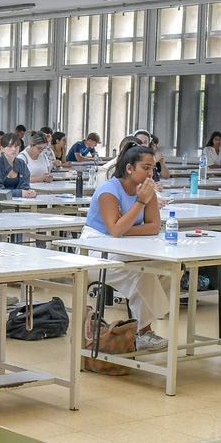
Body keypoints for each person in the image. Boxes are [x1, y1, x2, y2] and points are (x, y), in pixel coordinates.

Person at [82, 144, 169, 352]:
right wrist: (140, 203)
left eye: (153, 168)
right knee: (143, 273)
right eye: (146, 168)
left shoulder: (148, 192)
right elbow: (114, 229)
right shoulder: (108, 190)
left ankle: (145, 323)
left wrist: (123, 229)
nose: (151, 173)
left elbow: (154, 227)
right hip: (95, 251)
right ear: (130, 168)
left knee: (167, 267)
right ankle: (144, 332)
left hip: (126, 246)